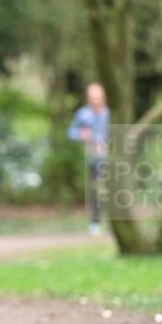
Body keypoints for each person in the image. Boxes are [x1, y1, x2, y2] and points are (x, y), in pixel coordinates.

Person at [67, 82, 110, 235]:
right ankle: (95, 222)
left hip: (110, 158)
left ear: (103, 97)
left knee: (109, 190)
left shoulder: (109, 114)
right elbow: (70, 132)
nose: (94, 100)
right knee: (96, 190)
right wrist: (80, 134)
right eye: (91, 97)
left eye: (97, 97)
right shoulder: (83, 114)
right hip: (93, 158)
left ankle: (113, 223)